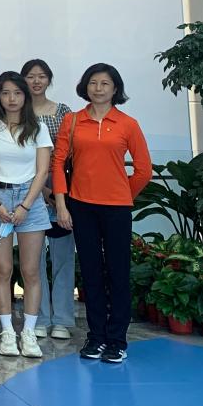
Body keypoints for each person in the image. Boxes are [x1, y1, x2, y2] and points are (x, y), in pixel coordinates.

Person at [53, 63, 151, 365]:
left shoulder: (128, 124)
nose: (98, 88)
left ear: (115, 88)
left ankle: (117, 340)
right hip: (81, 206)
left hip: (117, 209)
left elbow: (144, 170)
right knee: (91, 272)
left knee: (118, 272)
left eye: (105, 83)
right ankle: (95, 337)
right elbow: (58, 163)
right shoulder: (72, 121)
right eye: (93, 82)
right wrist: (61, 205)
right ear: (85, 86)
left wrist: (122, 194)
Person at [0, 71, 53, 359]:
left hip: (30, 200)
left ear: (25, 96)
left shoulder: (38, 127)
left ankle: (29, 332)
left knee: (31, 271)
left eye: (17, 93)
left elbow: (42, 171)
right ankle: (8, 331)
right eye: (6, 93)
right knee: (3, 269)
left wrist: (25, 206)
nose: (12, 99)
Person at [22, 58, 76, 341]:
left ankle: (63, 319)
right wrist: (39, 189)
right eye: (31, 76)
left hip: (60, 188)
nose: (36, 81)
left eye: (42, 76)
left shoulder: (63, 111)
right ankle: (39, 317)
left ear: (49, 80)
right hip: (26, 187)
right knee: (34, 259)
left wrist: (57, 191)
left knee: (63, 256)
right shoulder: (18, 112)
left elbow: (71, 153)